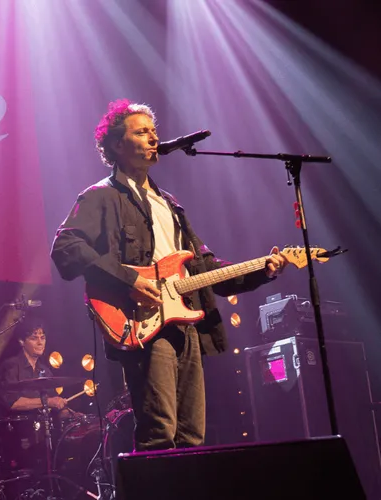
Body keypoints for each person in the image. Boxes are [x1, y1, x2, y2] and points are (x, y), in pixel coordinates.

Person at [51, 99, 288, 452]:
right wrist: (129, 280)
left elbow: (206, 269)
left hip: (185, 319)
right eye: (141, 131)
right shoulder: (101, 196)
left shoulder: (171, 204)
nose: (152, 137)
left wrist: (261, 272)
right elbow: (66, 247)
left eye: (153, 131)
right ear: (117, 145)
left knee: (192, 435)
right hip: (143, 323)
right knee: (159, 431)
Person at [0, 317, 67, 413]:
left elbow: (54, 402)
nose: (40, 343)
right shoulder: (11, 366)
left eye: (43, 338)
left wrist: (70, 414)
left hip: (43, 426)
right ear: (22, 341)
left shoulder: (45, 370)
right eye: (34, 338)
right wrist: (47, 402)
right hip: (19, 426)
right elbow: (12, 402)